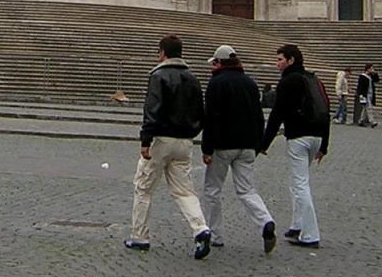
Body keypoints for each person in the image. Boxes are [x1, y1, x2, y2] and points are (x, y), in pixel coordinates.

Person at [125, 34, 213, 259]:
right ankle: (200, 229)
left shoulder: (158, 75)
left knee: (143, 187)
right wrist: (192, 132)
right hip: (184, 141)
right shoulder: (192, 78)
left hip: (161, 139)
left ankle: (139, 236)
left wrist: (146, 139)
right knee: (185, 190)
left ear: (162, 53)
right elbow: (200, 111)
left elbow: (152, 108)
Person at [200, 45, 277, 253]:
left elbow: (212, 118)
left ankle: (215, 234)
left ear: (219, 63)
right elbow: (258, 115)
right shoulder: (250, 82)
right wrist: (258, 143)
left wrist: (207, 148)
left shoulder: (216, 83)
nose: (212, 67)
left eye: (214, 63)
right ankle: (265, 221)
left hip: (223, 145)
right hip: (248, 145)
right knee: (247, 190)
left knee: (212, 189)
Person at [260, 44, 330, 249]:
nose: (277, 64)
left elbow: (277, 114)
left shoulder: (287, 81)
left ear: (291, 61)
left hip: (298, 137)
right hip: (317, 136)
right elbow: (325, 111)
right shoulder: (314, 79)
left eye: (280, 59)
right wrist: (324, 145)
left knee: (300, 185)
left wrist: (264, 143)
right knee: (297, 181)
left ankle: (310, 234)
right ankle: (297, 225)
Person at [354, 63, 379, 127]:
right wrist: (360, 95)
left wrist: (375, 73)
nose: (372, 70)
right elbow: (360, 87)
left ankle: (361, 121)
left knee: (365, 108)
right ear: (368, 69)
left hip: (371, 94)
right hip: (365, 94)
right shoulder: (362, 76)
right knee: (369, 107)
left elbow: (377, 80)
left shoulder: (371, 76)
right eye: (371, 68)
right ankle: (372, 121)